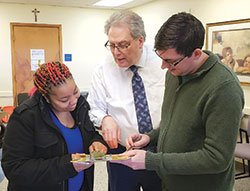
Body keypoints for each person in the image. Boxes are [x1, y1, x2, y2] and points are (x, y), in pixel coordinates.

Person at [113, 12, 244, 191]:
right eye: (161, 59)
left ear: (196, 53)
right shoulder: (175, 74)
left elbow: (217, 158)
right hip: (171, 182)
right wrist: (149, 138)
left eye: (170, 61)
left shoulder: (223, 87)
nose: (163, 67)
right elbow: (173, 124)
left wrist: (152, 161)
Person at [87, 10, 165, 191]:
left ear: (140, 40)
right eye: (112, 45)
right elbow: (94, 108)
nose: (116, 52)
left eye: (123, 45)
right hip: (121, 152)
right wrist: (104, 119)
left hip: (160, 150)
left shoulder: (163, 64)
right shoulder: (103, 68)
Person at [1, 61, 108, 191]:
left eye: (75, 91)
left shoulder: (80, 105)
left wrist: (97, 141)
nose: (73, 101)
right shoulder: (25, 117)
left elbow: (90, 134)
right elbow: (14, 168)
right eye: (64, 100)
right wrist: (67, 165)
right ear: (46, 97)